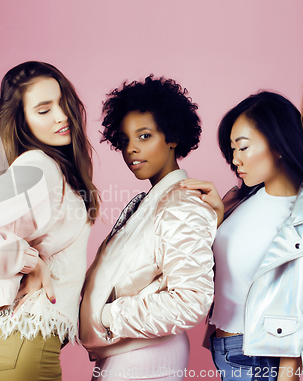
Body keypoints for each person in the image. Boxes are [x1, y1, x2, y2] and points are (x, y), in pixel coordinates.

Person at [0, 61, 100, 381]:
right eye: (43, 109)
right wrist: (30, 262)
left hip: (19, 344)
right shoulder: (37, 168)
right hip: (23, 345)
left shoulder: (54, 167)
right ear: (22, 120)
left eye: (63, 102)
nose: (61, 116)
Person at [80, 75, 216, 381]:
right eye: (125, 139)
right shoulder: (153, 201)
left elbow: (190, 300)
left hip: (147, 357)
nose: (131, 149)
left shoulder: (182, 203)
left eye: (144, 136)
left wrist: (105, 316)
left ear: (172, 137)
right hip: (128, 354)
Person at [181, 91, 303, 381]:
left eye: (243, 147)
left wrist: (288, 375)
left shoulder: (297, 218)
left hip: (260, 356)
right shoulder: (242, 197)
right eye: (232, 149)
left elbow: (298, 306)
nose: (235, 159)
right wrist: (219, 216)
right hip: (223, 346)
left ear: (278, 144)